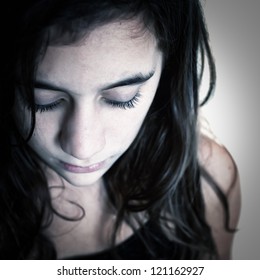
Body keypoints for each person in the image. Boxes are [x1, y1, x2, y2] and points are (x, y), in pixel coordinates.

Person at [1, 0, 241, 260]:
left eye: (122, 98)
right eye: (43, 100)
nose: (83, 148)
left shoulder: (206, 177)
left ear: (168, 69)